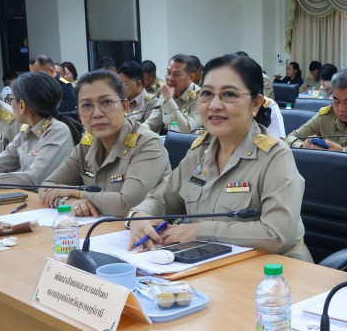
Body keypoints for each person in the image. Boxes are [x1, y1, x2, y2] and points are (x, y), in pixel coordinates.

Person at [128, 53, 312, 261]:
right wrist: (139, 217)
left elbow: (278, 235)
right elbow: (161, 198)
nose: (214, 105)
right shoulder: (199, 151)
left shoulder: (275, 156)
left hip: (276, 272)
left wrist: (198, 231)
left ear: (255, 104)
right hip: (211, 263)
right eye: (207, 93)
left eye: (229, 94)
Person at [41, 70, 170, 217]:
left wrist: (76, 192)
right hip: (99, 227)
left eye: (106, 102)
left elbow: (126, 205)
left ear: (125, 106)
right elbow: (46, 187)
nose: (97, 113)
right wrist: (69, 202)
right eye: (86, 105)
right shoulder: (88, 143)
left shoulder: (147, 143)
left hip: (144, 229)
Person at [144, 54, 201, 134]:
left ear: (191, 77)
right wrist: (135, 134)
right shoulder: (167, 93)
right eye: (168, 73)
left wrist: (169, 101)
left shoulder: (200, 97)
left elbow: (187, 130)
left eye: (176, 74)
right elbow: (151, 124)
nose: (170, 78)